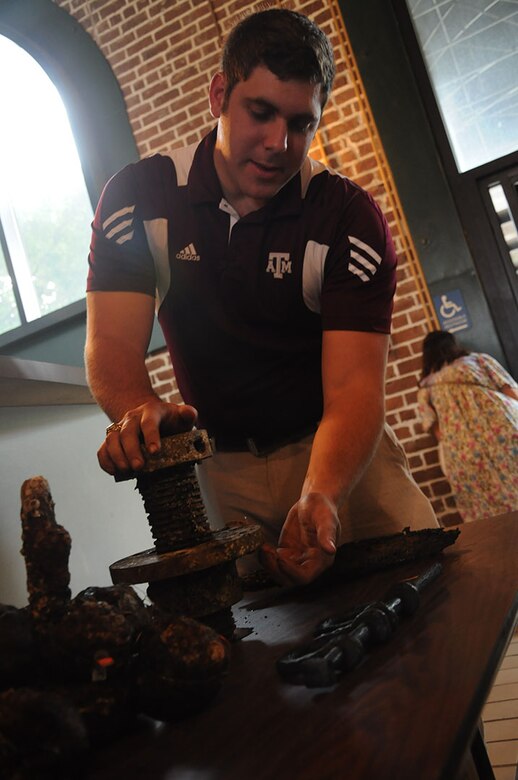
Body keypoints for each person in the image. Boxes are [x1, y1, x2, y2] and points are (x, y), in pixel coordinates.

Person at [85, 8, 437, 587]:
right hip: (219, 464)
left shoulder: (348, 218)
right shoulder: (139, 197)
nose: (279, 143)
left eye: (301, 123)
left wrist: (322, 494)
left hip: (335, 447)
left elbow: (354, 391)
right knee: (247, 643)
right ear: (219, 93)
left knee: (430, 598)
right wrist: (136, 408)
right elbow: (110, 345)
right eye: (262, 112)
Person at [417, 330, 518, 522]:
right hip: (505, 433)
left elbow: (436, 430)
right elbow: (510, 390)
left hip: (465, 453)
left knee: (488, 508)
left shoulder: (425, 389)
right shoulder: (479, 362)